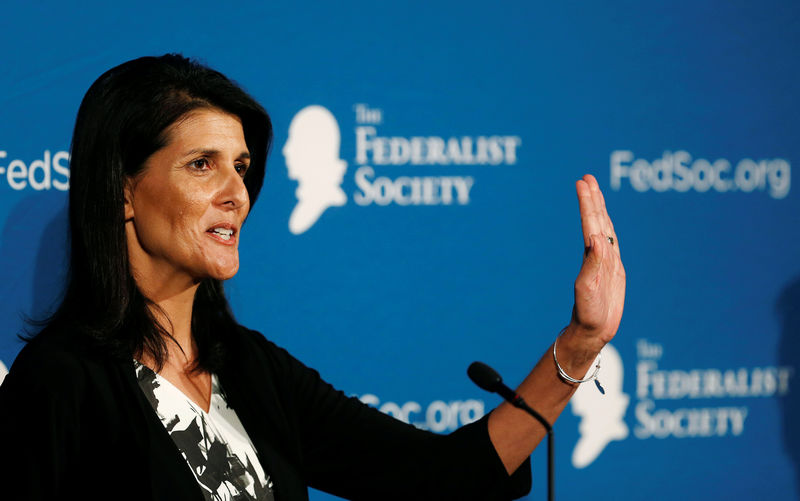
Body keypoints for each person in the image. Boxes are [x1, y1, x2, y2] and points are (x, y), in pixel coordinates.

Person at [0, 54, 625, 500]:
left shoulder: (252, 369)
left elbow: (437, 477)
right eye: (201, 165)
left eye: (242, 168)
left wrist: (581, 342)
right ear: (123, 190)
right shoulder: (60, 384)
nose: (237, 194)